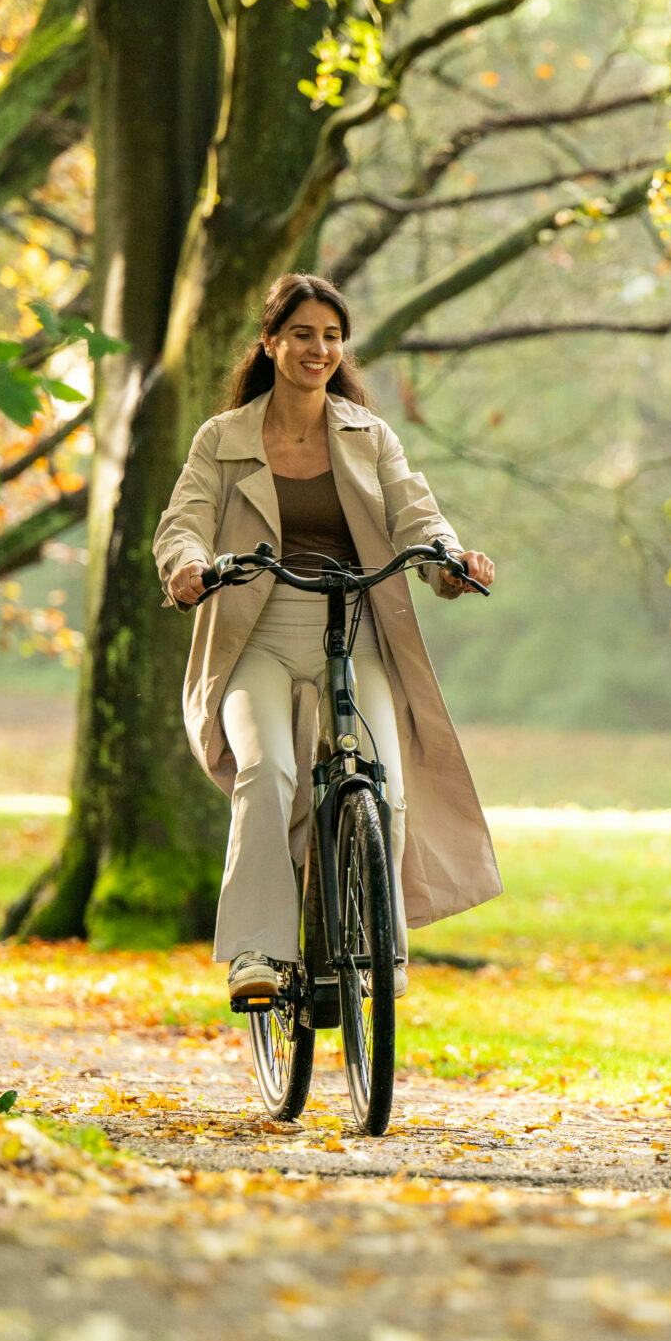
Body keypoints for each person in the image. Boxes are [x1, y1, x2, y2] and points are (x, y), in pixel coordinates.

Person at [153, 272, 502, 1009]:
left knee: (387, 781)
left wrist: (451, 559)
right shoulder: (225, 439)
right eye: (304, 334)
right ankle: (257, 952)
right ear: (271, 341)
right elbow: (184, 519)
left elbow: (416, 515)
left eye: (332, 337)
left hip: (355, 629)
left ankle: (380, 943)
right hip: (259, 632)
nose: (319, 349)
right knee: (268, 772)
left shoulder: (367, 434)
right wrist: (186, 566)